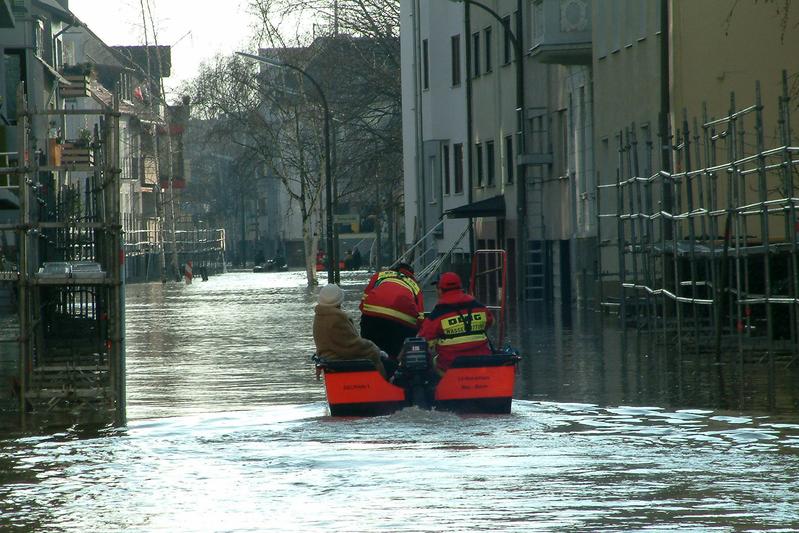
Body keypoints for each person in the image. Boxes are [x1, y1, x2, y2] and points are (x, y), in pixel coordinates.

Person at [417, 271, 494, 372]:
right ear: (460, 287)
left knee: (432, 363)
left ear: (440, 290)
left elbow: (424, 338)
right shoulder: (478, 306)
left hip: (451, 366)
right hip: (482, 362)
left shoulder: (438, 313)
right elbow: (491, 322)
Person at [313, 284, 388, 377]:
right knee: (388, 363)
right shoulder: (336, 318)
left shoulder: (319, 316)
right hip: (342, 362)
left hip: (331, 360)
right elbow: (352, 346)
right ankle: (385, 386)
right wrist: (374, 349)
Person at [359, 262, 425, 359]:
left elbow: (362, 304)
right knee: (394, 354)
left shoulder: (379, 276)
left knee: (370, 352)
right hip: (401, 322)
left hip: (372, 317)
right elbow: (420, 318)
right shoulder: (415, 286)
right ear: (411, 274)